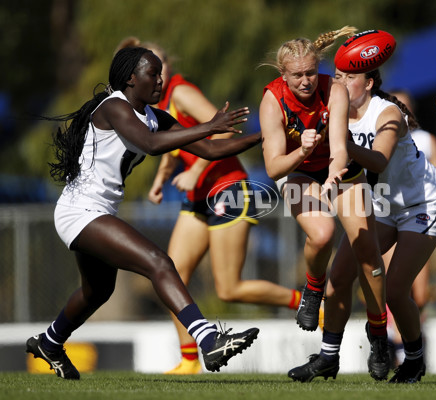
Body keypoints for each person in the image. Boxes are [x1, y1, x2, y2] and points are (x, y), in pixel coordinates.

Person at [26, 46, 260, 380]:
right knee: (159, 262)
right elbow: (150, 145)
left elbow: (209, 150)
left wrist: (267, 137)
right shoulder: (115, 107)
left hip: (98, 211)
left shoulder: (155, 116)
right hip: (79, 212)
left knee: (97, 292)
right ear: (130, 79)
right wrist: (209, 125)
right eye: (153, 73)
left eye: (160, 73)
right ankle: (209, 339)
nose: (160, 80)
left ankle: (49, 343)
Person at [115, 38, 302, 375]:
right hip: (198, 198)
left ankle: (307, 304)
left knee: (228, 289)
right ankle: (189, 359)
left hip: (229, 190)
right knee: (169, 275)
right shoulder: (158, 104)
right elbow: (177, 142)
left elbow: (220, 131)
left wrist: (197, 170)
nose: (155, 75)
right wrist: (163, 177)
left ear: (167, 66)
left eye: (158, 67)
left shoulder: (182, 92)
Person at [288, 45, 436, 382]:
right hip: (382, 205)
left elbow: (378, 161)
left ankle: (415, 359)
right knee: (338, 278)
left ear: (370, 83)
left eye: (351, 77)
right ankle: (328, 357)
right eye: (340, 76)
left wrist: (342, 143)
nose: (342, 82)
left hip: (422, 205)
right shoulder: (336, 112)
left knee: (393, 290)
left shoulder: (388, 113)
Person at [259, 27, 390, 380]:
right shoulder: (273, 101)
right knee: (322, 233)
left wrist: (334, 175)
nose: (305, 81)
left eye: (310, 73)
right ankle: (313, 288)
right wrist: (301, 150)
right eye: (297, 75)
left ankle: (378, 335)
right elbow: (273, 167)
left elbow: (339, 147)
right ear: (283, 75)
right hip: (296, 170)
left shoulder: (334, 89)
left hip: (339, 171)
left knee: (369, 255)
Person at [385, 89, 436, 366]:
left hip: (419, 214)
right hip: (387, 212)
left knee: (418, 292)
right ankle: (397, 345)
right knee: (392, 285)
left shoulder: (424, 139)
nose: (399, 111)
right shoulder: (380, 134)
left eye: (404, 106)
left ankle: (412, 339)